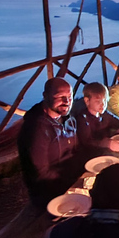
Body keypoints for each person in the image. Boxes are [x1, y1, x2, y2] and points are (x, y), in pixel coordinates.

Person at [17, 77, 85, 207]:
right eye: (60, 97)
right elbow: (42, 175)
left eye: (70, 97)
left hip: (73, 180)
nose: (67, 102)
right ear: (45, 96)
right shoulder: (36, 129)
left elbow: (76, 151)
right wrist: (74, 183)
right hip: (49, 194)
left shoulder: (68, 118)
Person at [71, 82, 119, 157]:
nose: (103, 105)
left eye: (105, 101)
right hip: (91, 156)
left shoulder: (104, 114)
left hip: (106, 152)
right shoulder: (82, 119)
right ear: (87, 101)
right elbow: (87, 142)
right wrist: (107, 143)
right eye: (98, 101)